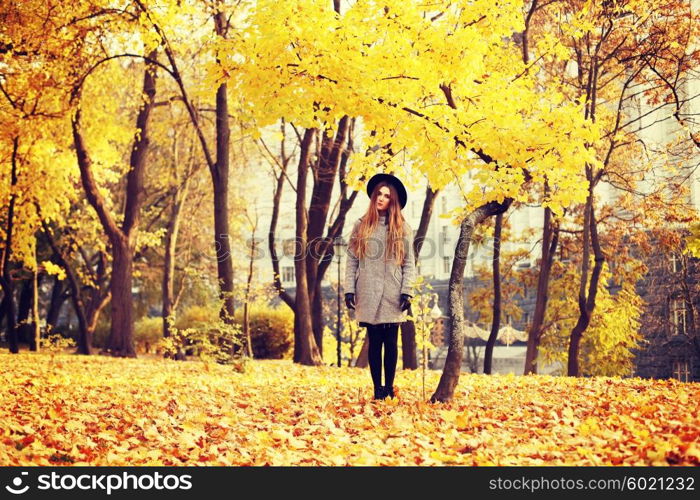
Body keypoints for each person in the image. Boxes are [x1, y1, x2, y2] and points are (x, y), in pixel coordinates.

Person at [343, 173, 416, 400]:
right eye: (379, 195)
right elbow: (351, 260)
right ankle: (378, 389)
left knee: (391, 342)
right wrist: (349, 289)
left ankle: (390, 387)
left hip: (393, 292)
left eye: (387, 196)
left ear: (393, 201)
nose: (382, 198)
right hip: (367, 289)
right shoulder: (361, 226)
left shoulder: (403, 228)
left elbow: (409, 263)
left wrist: (407, 291)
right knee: (374, 341)